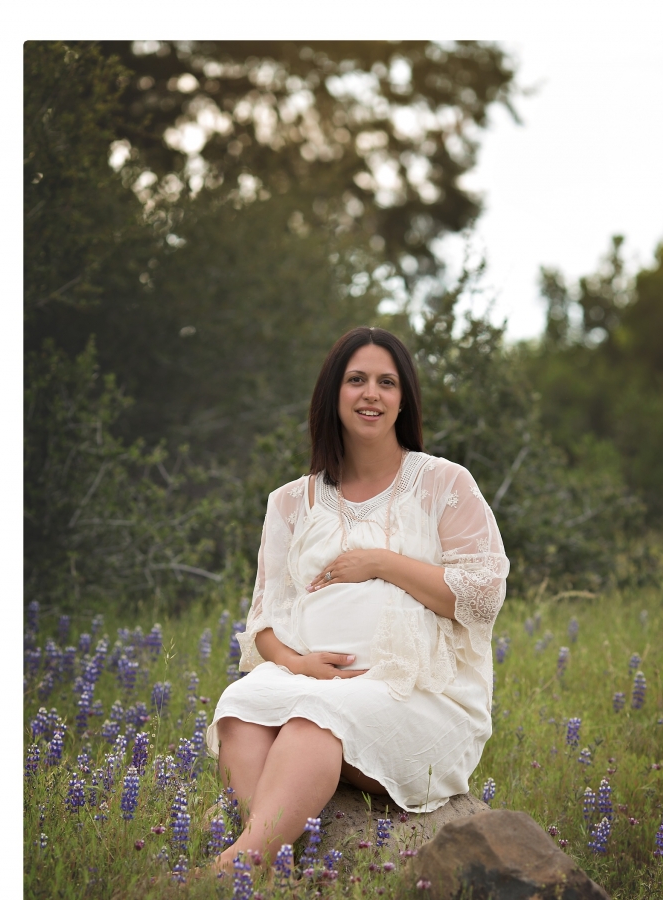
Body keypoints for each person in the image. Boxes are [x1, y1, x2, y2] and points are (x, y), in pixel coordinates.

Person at [205, 326, 510, 871]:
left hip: (418, 694)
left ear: (403, 399)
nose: (372, 393)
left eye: (387, 382)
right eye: (357, 380)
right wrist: (300, 664)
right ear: (333, 394)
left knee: (315, 720)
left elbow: (483, 596)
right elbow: (265, 623)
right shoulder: (290, 502)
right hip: (314, 680)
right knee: (240, 709)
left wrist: (380, 563)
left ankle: (236, 868)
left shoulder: (444, 483)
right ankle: (271, 859)